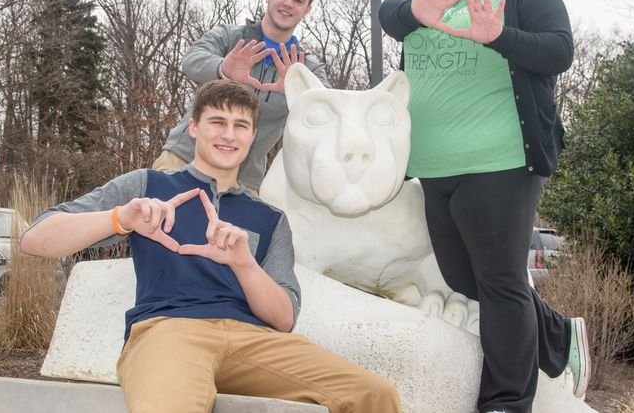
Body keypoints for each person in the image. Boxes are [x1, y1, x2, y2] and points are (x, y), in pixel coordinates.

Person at [21, 80, 400, 413]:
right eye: (217, 122)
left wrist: (243, 263)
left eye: (241, 126)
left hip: (253, 341)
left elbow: (284, 318)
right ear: (194, 128)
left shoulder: (269, 218)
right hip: (168, 330)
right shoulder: (148, 186)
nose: (229, 135)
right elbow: (36, 239)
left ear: (253, 136)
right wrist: (122, 218)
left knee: (374, 395)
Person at [378, 0, 590, 413]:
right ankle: (558, 335)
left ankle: (506, 402)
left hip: (501, 161)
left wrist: (498, 37)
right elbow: (389, 12)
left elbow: (559, 51)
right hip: (434, 163)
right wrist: (415, 15)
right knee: (462, 278)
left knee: (500, 282)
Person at [156, 0, 330, 193]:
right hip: (182, 160)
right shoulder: (230, 37)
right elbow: (191, 59)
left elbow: (328, 111)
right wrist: (223, 70)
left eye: (298, 0)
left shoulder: (305, 67)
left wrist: (296, 92)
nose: (288, 3)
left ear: (307, 9)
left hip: (244, 181)